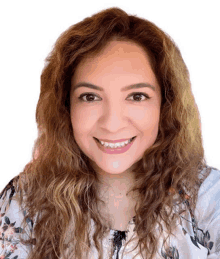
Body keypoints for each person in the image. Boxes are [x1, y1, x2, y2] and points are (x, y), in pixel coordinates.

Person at [0, 7, 219, 259]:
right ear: (65, 107)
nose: (112, 124)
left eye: (137, 96)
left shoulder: (208, 199)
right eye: (90, 97)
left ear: (165, 105)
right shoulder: (24, 202)